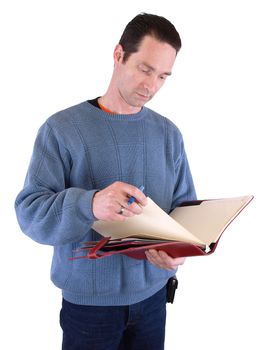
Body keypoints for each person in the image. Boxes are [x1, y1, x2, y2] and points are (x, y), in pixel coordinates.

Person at [15, 13, 196, 350]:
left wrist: (177, 252)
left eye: (163, 76)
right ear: (118, 55)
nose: (151, 85)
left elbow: (184, 212)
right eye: (145, 69)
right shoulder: (62, 129)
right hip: (89, 310)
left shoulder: (169, 134)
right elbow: (29, 212)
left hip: (155, 301)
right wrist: (91, 203)